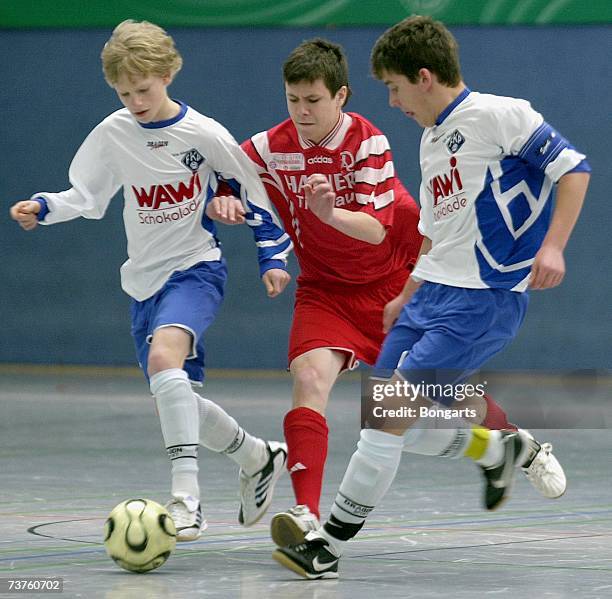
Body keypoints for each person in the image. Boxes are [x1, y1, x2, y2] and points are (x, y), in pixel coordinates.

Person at [208, 37, 565, 550]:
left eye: (313, 100)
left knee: (436, 401)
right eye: (293, 100)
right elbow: (230, 174)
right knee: (311, 379)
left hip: (392, 281)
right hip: (326, 290)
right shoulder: (268, 147)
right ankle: (308, 518)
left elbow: (376, 230)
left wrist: (328, 215)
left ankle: (509, 448)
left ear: (341, 96)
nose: (302, 111)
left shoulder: (369, 142)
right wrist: (228, 201)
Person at [9, 20, 293, 542]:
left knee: (166, 360)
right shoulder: (113, 134)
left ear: (167, 75)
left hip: (196, 269)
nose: (135, 100)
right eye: (124, 92)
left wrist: (272, 258)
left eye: (144, 89)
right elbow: (86, 196)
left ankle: (186, 501)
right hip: (142, 284)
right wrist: (44, 207)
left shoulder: (203, 135)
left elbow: (253, 193)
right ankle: (259, 455)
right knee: (178, 395)